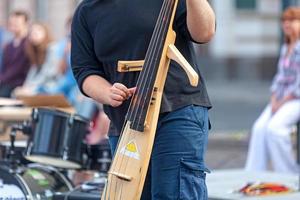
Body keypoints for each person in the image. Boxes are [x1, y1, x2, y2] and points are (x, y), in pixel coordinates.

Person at [71, 0, 215, 199]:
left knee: (174, 193)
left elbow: (205, 33)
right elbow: (84, 70)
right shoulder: (87, 10)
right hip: (126, 121)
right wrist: (107, 92)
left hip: (177, 109)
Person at [245, 7, 300, 174]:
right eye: (284, 21)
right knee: (259, 128)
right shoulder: (286, 48)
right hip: (280, 98)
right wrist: (275, 97)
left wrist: (283, 101)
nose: (287, 24)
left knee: (275, 129)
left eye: (292, 20)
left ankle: (287, 174)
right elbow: (279, 78)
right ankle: (254, 174)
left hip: (295, 99)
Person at [13, 22, 60, 96]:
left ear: (46, 32)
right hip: (38, 87)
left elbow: (47, 74)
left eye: (38, 30)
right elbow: (33, 71)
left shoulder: (53, 48)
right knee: (16, 93)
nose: (34, 33)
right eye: (31, 32)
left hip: (50, 87)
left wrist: (31, 89)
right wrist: (25, 87)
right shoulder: (34, 50)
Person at [0, 11, 30, 97]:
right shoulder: (8, 45)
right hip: (5, 82)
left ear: (26, 23)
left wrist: (2, 79)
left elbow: (18, 68)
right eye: (11, 23)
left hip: (19, 83)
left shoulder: (29, 44)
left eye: (16, 22)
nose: (13, 25)